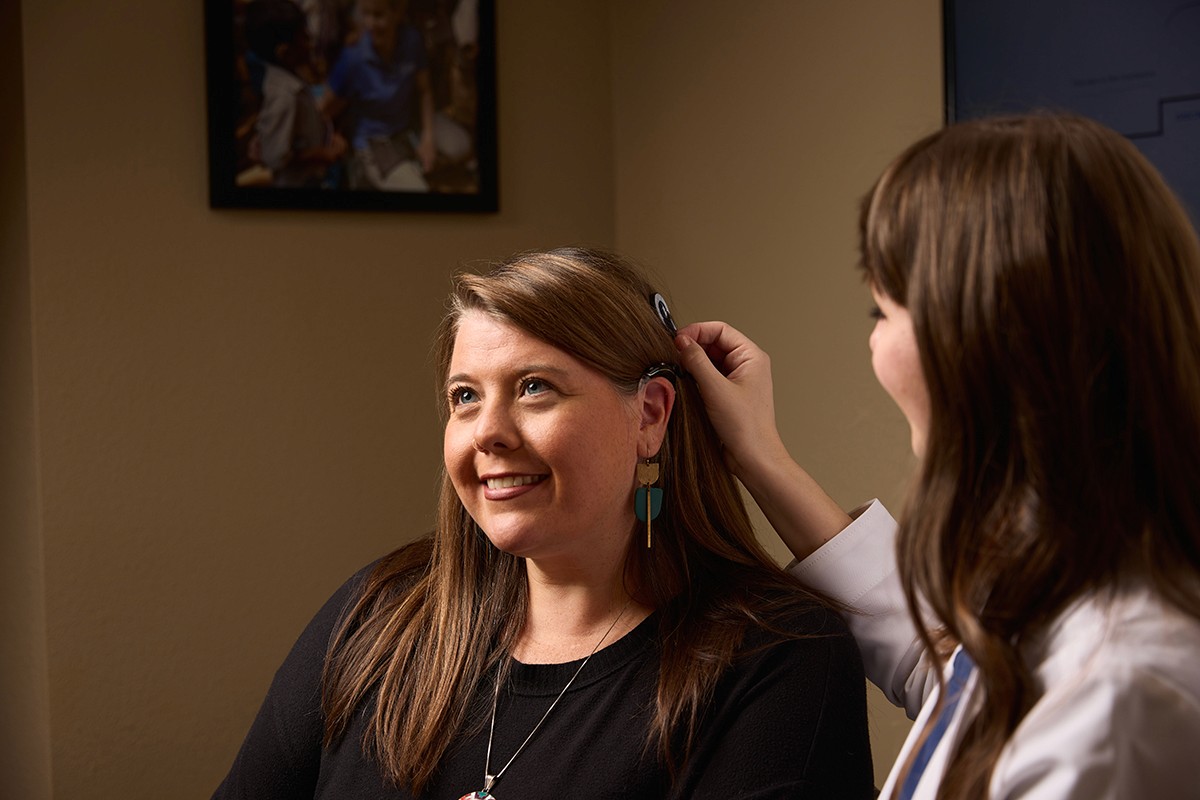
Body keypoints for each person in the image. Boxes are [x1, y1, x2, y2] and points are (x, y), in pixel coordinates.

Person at [212, 248, 875, 799]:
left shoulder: (776, 657)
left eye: (535, 388)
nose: (488, 433)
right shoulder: (375, 615)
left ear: (649, 415)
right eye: (465, 397)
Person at [674, 113, 1200, 799]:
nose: (873, 347)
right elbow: (953, 670)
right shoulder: (1073, 598)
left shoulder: (1124, 697)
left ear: (979, 337)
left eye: (882, 314)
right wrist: (758, 457)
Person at [319, 0, 468, 191]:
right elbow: (325, 110)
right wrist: (334, 138)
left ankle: (409, 166)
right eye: (366, 15)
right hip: (374, 139)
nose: (371, 24)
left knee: (460, 146)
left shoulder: (412, 40)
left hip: (406, 127)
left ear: (397, 13)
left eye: (379, 15)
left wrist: (428, 138)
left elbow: (425, 91)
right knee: (418, 190)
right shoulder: (353, 58)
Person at [242, 0, 347, 188]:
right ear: (285, 52)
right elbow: (276, 157)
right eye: (304, 37)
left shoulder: (290, 75)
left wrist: (327, 135)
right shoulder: (284, 97)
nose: (310, 39)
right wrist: (320, 154)